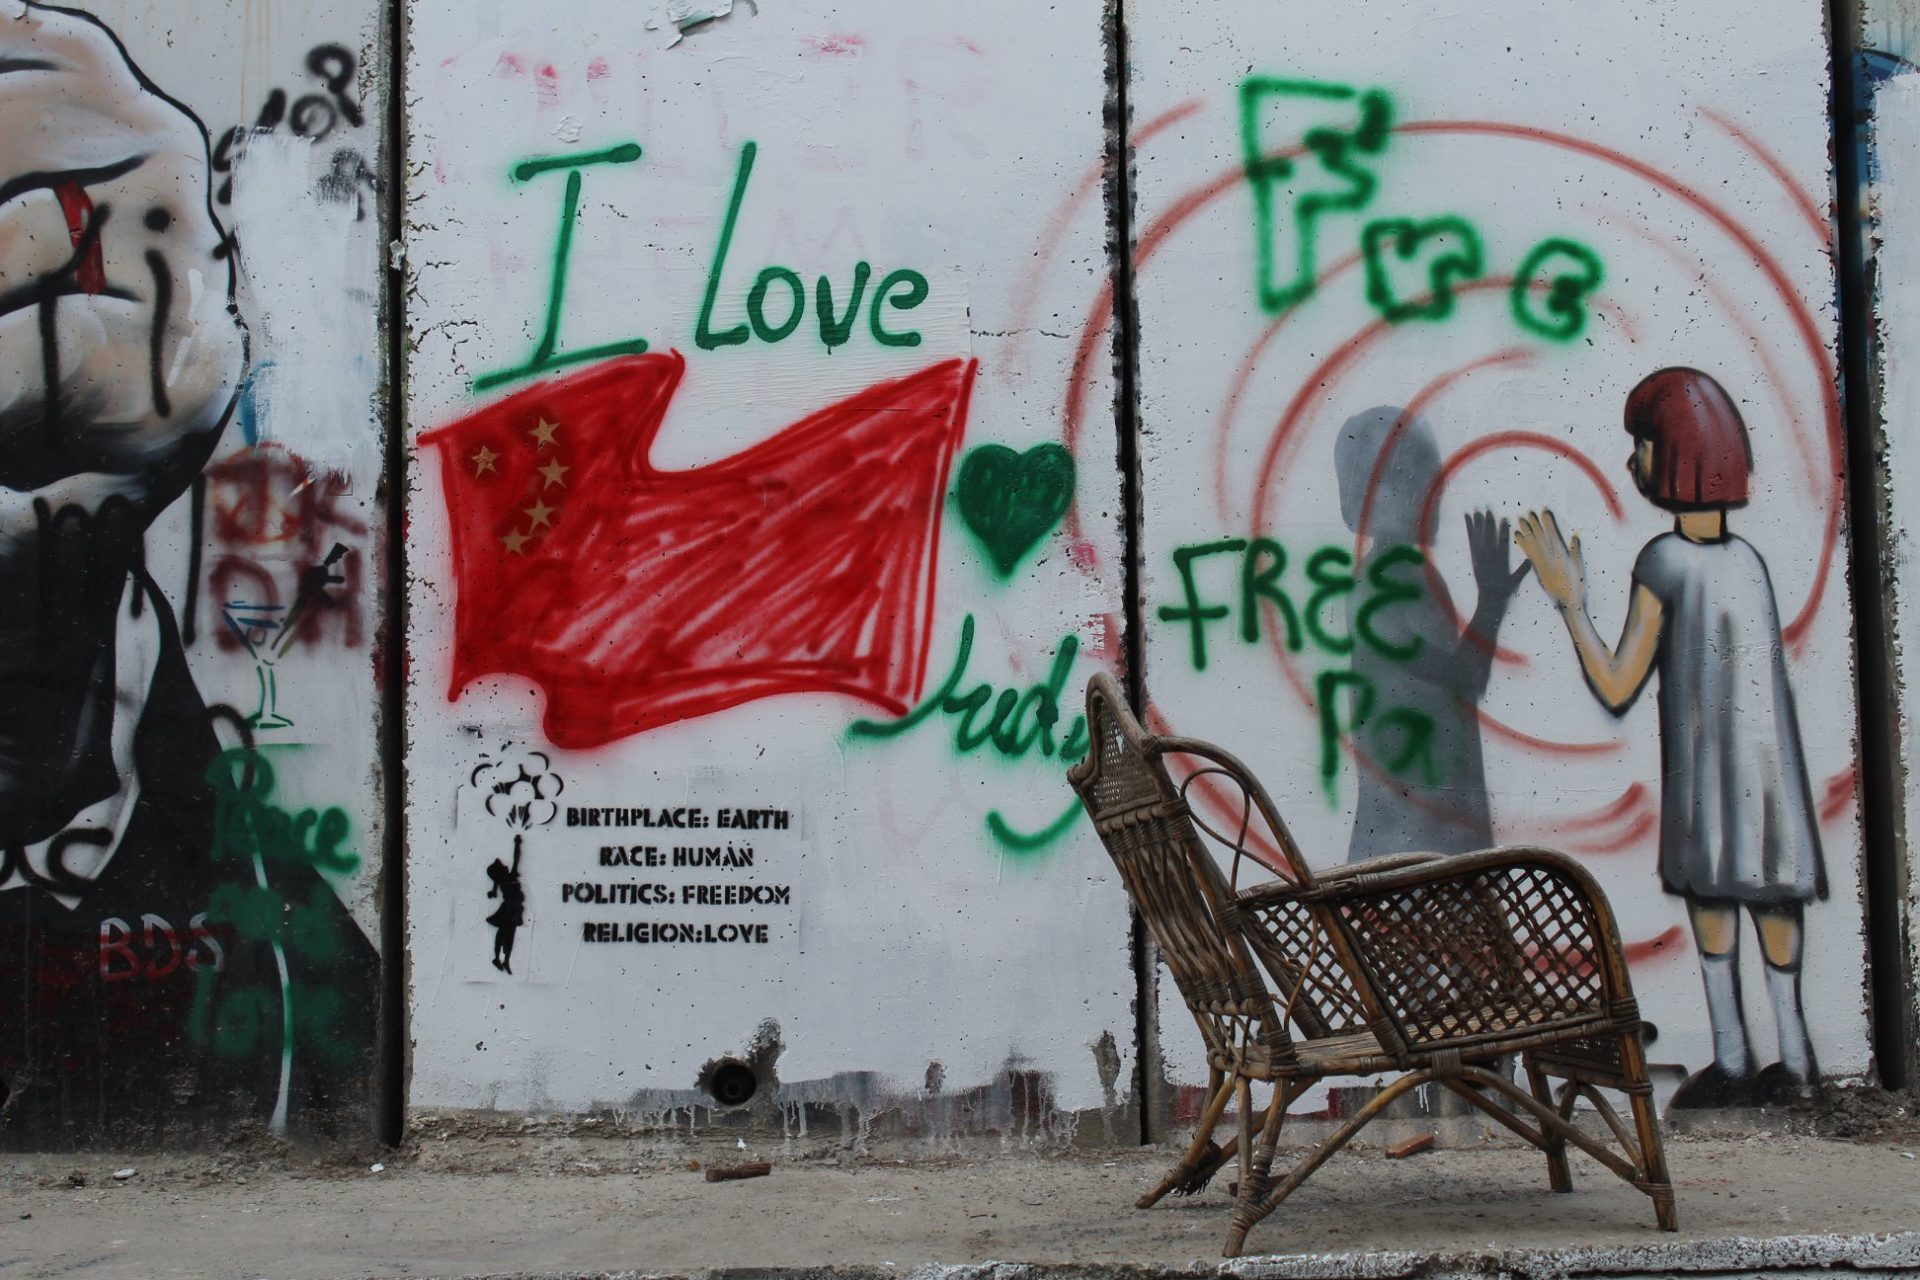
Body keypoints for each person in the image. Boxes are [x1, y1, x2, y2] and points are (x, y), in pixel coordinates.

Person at [1514, 367, 1825, 1108]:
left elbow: (1617, 681)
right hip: (1767, 769)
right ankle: (1796, 1060)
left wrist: (1570, 603)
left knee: (1712, 901)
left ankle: (1733, 1056)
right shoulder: (1749, 561)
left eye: (1645, 445)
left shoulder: (1663, 561)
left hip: (1706, 769)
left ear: (1678, 456)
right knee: (1771, 899)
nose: (1634, 461)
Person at [1334, 407, 1531, 859]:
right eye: (1412, 479)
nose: (1432, 493)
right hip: (1419, 839)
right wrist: (1492, 599)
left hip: (1411, 833)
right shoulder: (1395, 578)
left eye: (1431, 479)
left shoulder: (1387, 574)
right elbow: (1466, 676)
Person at [487, 834, 526, 973]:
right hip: (510, 909)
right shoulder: (509, 877)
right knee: (506, 935)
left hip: (513, 909)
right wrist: (517, 844)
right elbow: (516, 859)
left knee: (506, 935)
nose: (506, 866)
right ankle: (501, 959)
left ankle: (503, 960)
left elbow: (495, 886)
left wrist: (493, 892)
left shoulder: (502, 880)